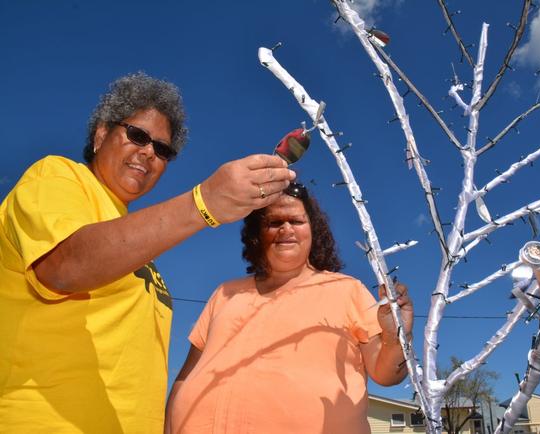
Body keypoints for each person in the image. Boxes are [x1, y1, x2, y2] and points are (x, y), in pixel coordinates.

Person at [0, 72, 295, 433]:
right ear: (100, 135)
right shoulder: (58, 176)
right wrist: (204, 203)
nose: (148, 152)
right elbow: (63, 266)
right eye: (137, 135)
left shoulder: (138, 246)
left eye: (163, 149)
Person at [165, 182, 413, 434]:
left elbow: (387, 375)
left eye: (296, 221)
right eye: (274, 222)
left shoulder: (348, 289)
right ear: (257, 234)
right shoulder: (224, 293)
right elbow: (184, 378)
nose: (286, 229)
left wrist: (395, 338)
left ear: (313, 230)